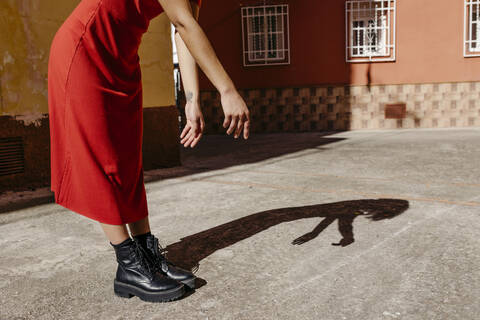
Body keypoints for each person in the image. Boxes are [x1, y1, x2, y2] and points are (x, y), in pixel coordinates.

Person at [47, 0, 250, 303]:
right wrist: (227, 90)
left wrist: (191, 99)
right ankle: (129, 264)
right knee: (101, 156)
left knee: (128, 158)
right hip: (85, 50)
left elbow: (182, 31)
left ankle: (146, 253)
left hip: (121, 58)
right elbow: (183, 24)